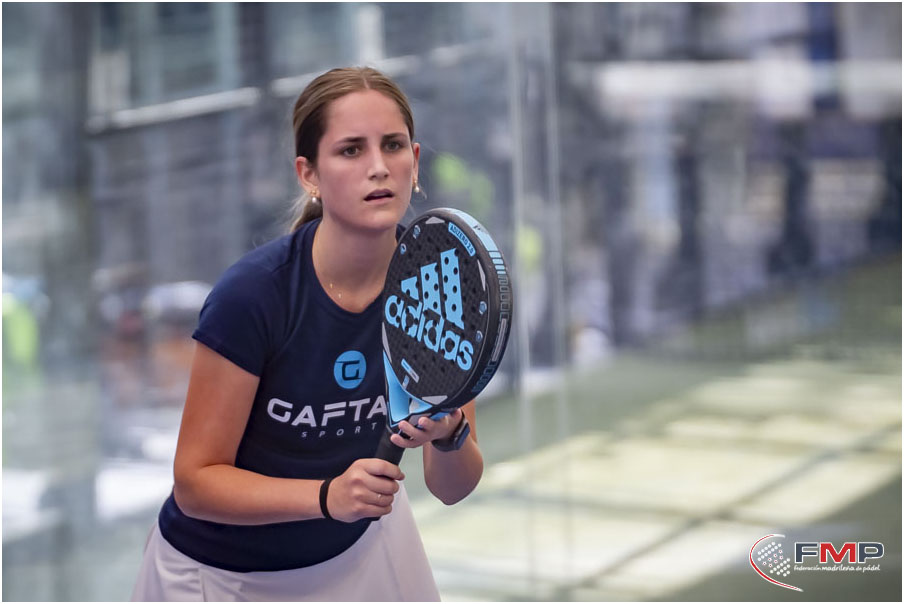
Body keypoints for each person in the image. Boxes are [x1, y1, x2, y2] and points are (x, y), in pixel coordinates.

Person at [132, 66, 484, 601]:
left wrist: (451, 432)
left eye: (392, 146)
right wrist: (326, 497)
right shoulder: (252, 295)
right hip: (218, 577)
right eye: (350, 150)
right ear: (309, 174)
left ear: (414, 162)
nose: (378, 167)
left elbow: (451, 487)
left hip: (362, 548)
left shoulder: (441, 287)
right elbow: (195, 483)